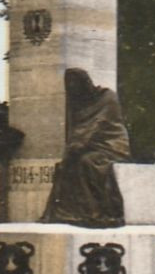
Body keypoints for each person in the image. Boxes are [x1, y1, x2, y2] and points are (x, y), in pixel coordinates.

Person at [39, 68, 131, 227]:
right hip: (88, 144)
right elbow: (77, 130)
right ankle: (69, 213)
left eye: (76, 84)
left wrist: (78, 145)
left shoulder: (107, 97)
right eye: (70, 85)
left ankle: (95, 212)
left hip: (110, 145)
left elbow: (98, 124)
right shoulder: (78, 104)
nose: (73, 88)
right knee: (66, 166)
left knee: (87, 162)